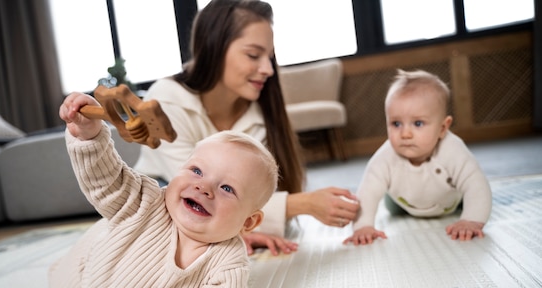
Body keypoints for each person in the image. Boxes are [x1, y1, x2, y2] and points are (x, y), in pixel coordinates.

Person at [49, 92, 279, 288]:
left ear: (248, 222)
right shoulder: (147, 202)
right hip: (91, 268)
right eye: (196, 171)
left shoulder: (229, 261)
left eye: (227, 188)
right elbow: (108, 181)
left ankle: (113, 226)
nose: (203, 187)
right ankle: (103, 232)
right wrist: (88, 136)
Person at [133, 0, 359, 255]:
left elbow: (251, 196)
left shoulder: (259, 113)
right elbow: (192, 194)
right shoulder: (165, 99)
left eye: (269, 57)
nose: (268, 69)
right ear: (213, 48)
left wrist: (244, 228)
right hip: (155, 229)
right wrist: (305, 203)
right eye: (253, 55)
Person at [344, 69, 492, 245]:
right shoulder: (385, 157)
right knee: (389, 203)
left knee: (470, 197)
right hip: (402, 202)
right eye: (396, 123)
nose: (405, 133)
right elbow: (367, 192)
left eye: (418, 123)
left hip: (449, 199)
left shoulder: (453, 150)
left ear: (443, 128)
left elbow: (476, 184)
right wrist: (363, 227)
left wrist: (472, 220)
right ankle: (395, 201)